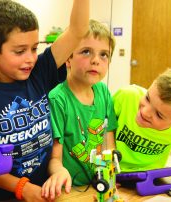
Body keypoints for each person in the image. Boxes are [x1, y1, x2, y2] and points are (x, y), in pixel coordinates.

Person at [0, 0, 89, 201]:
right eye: (20, 51)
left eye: (34, 48)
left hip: (45, 194)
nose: (30, 58)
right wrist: (23, 188)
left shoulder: (39, 73)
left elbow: (78, 30)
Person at [41, 20, 118, 200]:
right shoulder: (57, 99)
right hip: (70, 190)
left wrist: (110, 175)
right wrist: (59, 173)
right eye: (86, 52)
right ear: (68, 58)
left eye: (104, 55)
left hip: (99, 185)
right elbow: (54, 158)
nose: (95, 61)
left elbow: (109, 143)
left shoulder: (104, 92)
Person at [113, 67, 171, 173]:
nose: (145, 112)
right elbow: (101, 124)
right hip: (109, 171)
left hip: (150, 177)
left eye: (159, 115)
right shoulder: (126, 96)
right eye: (147, 98)